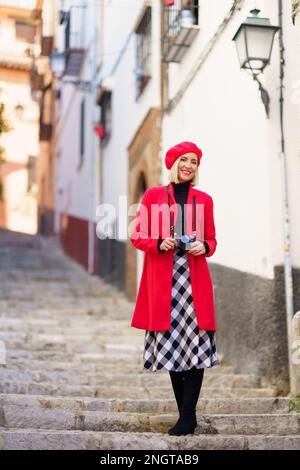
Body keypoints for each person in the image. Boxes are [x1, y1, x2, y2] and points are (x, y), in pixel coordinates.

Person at [129, 141, 218, 436]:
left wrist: (202, 245)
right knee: (172, 347)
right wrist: (157, 243)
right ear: (174, 163)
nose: (189, 165)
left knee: (196, 346)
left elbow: (213, 241)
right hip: (163, 281)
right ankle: (186, 416)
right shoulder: (154, 196)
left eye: (194, 161)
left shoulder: (204, 200)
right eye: (184, 159)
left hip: (194, 281)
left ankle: (188, 416)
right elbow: (138, 234)